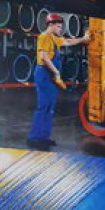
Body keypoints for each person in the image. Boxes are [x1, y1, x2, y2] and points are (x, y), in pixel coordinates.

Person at [27, 13, 90, 151]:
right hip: (44, 74)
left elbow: (68, 42)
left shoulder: (55, 38)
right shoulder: (44, 36)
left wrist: (83, 39)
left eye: (61, 27)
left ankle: (44, 137)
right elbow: (44, 57)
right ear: (50, 25)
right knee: (43, 106)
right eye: (58, 26)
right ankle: (34, 138)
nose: (60, 29)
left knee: (50, 107)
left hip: (51, 76)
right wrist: (56, 72)